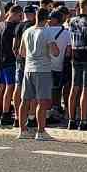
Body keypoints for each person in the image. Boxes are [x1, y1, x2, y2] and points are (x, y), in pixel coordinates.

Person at [16, 9, 61, 140]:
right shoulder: (47, 32)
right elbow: (55, 52)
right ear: (46, 19)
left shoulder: (27, 31)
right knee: (42, 102)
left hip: (28, 69)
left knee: (25, 101)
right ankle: (40, 131)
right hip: (43, 69)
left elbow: (22, 53)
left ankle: (22, 130)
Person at [65, 0, 87, 131]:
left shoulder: (72, 21)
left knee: (74, 87)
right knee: (85, 89)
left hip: (75, 55)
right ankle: (83, 120)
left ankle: (71, 119)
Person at [0, 4, 23, 128]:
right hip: (10, 60)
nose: (21, 18)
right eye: (20, 15)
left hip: (1, 60)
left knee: (0, 87)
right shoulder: (13, 27)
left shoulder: (0, 25)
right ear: (14, 14)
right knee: (9, 88)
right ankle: (5, 114)